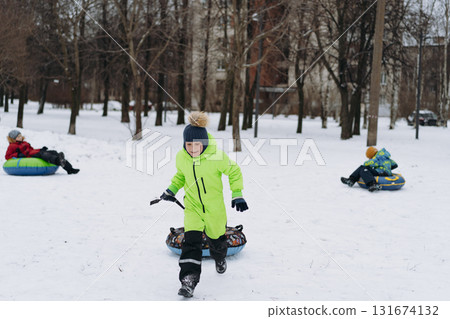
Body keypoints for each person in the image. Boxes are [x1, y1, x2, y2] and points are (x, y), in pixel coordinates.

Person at [160, 112, 248, 298]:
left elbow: (234, 171)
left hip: (214, 209)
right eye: (188, 144)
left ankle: (220, 257)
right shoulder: (182, 157)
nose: (192, 148)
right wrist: (171, 190)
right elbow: (181, 176)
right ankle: (189, 280)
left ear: (204, 143)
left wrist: (237, 194)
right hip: (192, 207)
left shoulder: (216, 156)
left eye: (196, 144)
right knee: (191, 242)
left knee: (216, 239)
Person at [5, 130, 80, 174]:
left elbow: (31, 149)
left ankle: (69, 169)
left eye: (21, 136)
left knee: (53, 152)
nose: (20, 137)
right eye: (18, 137)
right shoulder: (12, 146)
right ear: (13, 139)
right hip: (28, 156)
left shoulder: (25, 143)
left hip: (33, 153)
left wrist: (40, 149)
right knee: (45, 155)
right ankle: (58, 160)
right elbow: (7, 156)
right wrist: (18, 154)